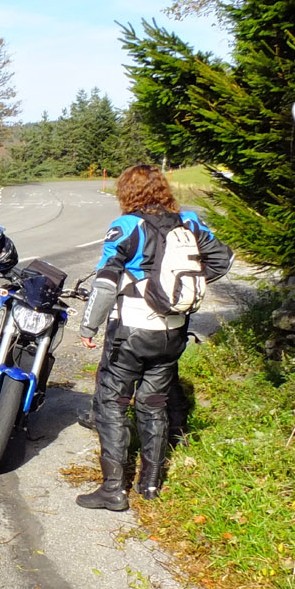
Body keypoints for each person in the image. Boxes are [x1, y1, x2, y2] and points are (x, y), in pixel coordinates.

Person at [75, 164, 232, 511]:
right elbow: (224, 259)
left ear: (127, 193)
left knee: (112, 404)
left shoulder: (126, 226)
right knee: (153, 403)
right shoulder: (189, 222)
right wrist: (186, 289)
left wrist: (89, 327)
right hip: (173, 331)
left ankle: (113, 490)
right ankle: (150, 485)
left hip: (131, 331)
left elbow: (104, 283)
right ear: (162, 189)